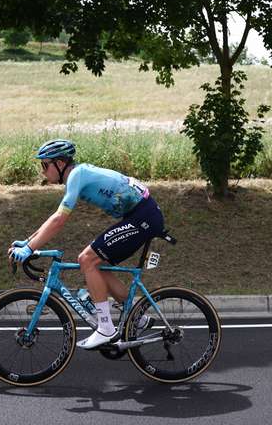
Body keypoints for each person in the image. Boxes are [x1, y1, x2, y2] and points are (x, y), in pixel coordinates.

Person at [9, 139, 165, 350]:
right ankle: (137, 316)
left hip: (143, 216)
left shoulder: (76, 175)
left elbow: (59, 220)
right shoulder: (78, 174)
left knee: (87, 259)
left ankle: (105, 328)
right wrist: (29, 242)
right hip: (141, 214)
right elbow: (55, 216)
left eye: (45, 165)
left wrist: (29, 249)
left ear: (60, 163)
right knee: (97, 264)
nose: (43, 172)